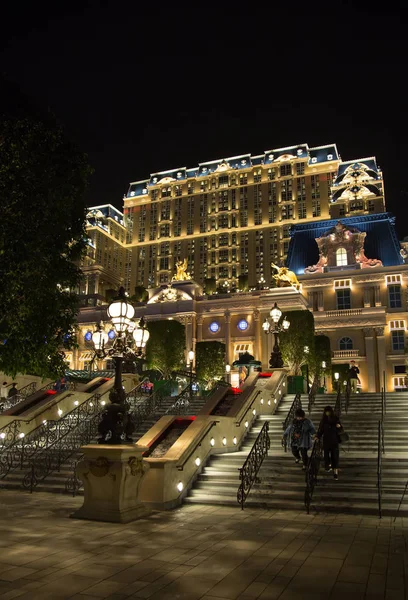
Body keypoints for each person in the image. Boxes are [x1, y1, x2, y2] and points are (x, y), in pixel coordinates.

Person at [317, 405, 342, 480]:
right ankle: (327, 465)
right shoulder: (323, 420)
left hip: (334, 440)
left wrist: (339, 426)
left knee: (335, 456)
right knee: (326, 455)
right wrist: (318, 436)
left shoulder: (335, 419)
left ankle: (335, 472)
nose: (327, 413)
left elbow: (341, 429)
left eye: (328, 411)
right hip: (326, 440)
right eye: (326, 412)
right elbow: (321, 430)